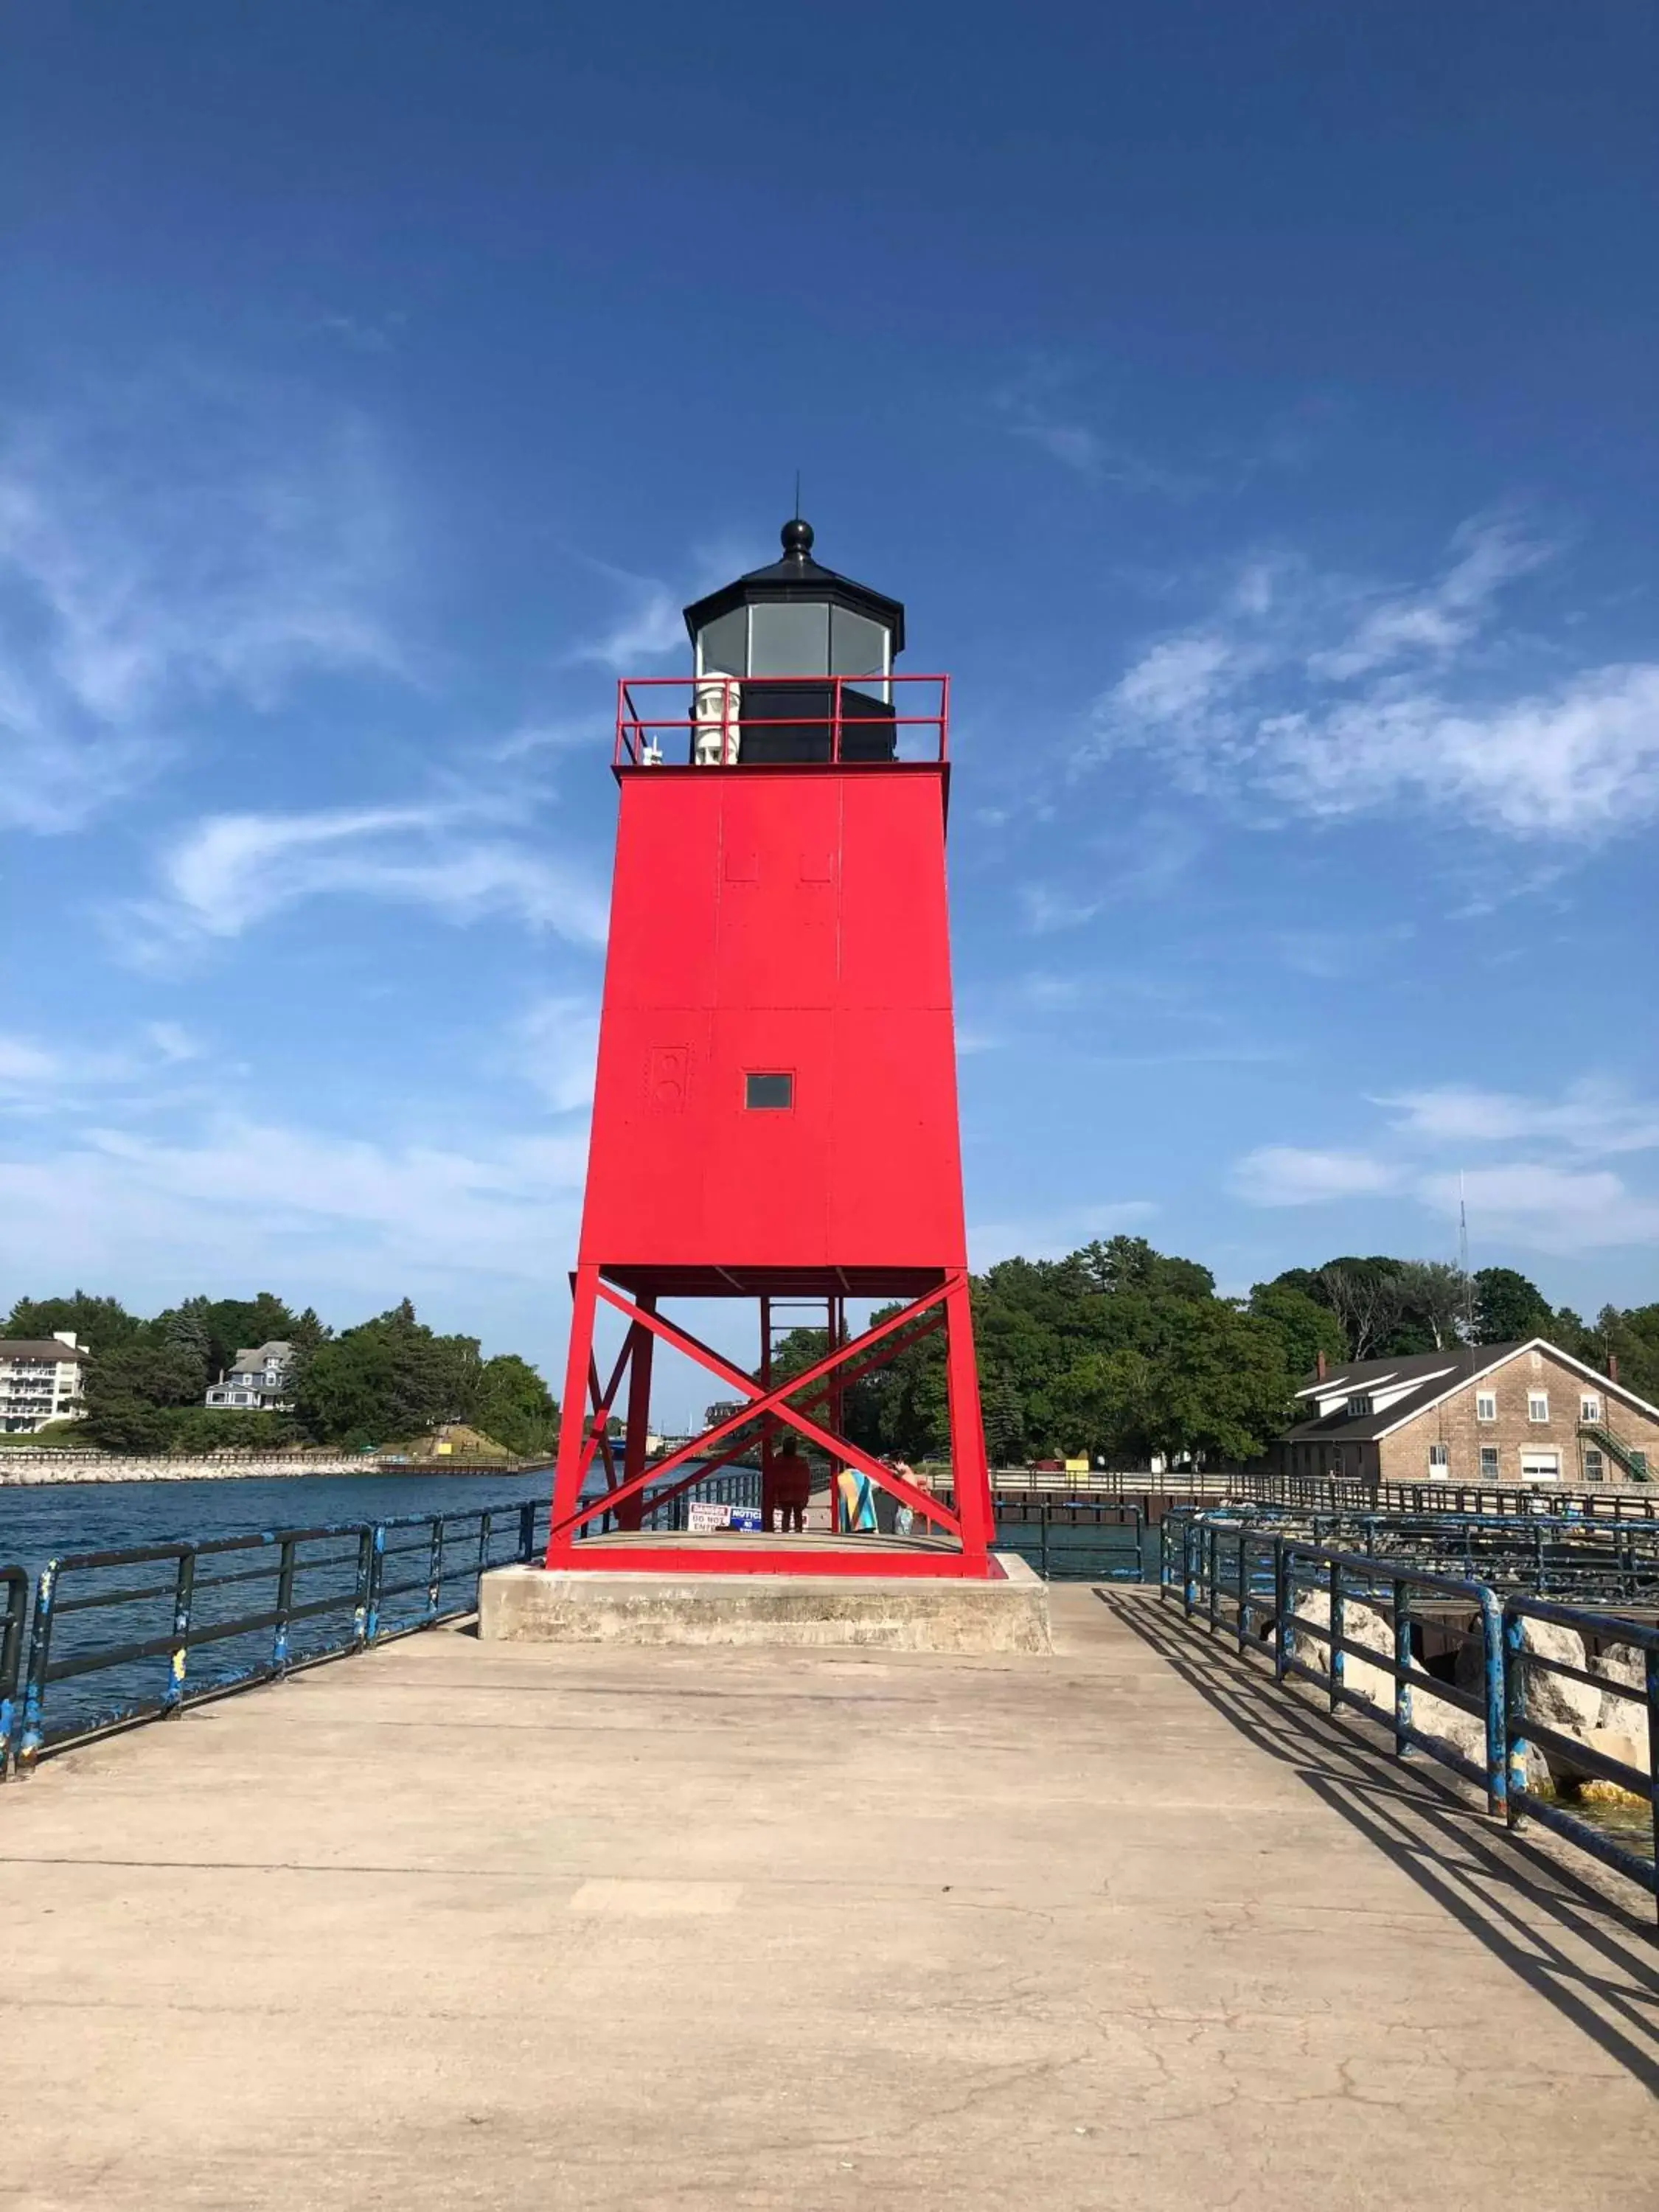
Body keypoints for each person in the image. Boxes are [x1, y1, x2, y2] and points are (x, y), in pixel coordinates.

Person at [771, 1437, 812, 1534]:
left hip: (784, 1490)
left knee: (786, 1514)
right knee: (797, 1513)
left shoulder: (779, 1460)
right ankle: (798, 1531)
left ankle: (785, 1531)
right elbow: (806, 1477)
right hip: (798, 1491)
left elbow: (774, 1474)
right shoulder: (801, 1461)